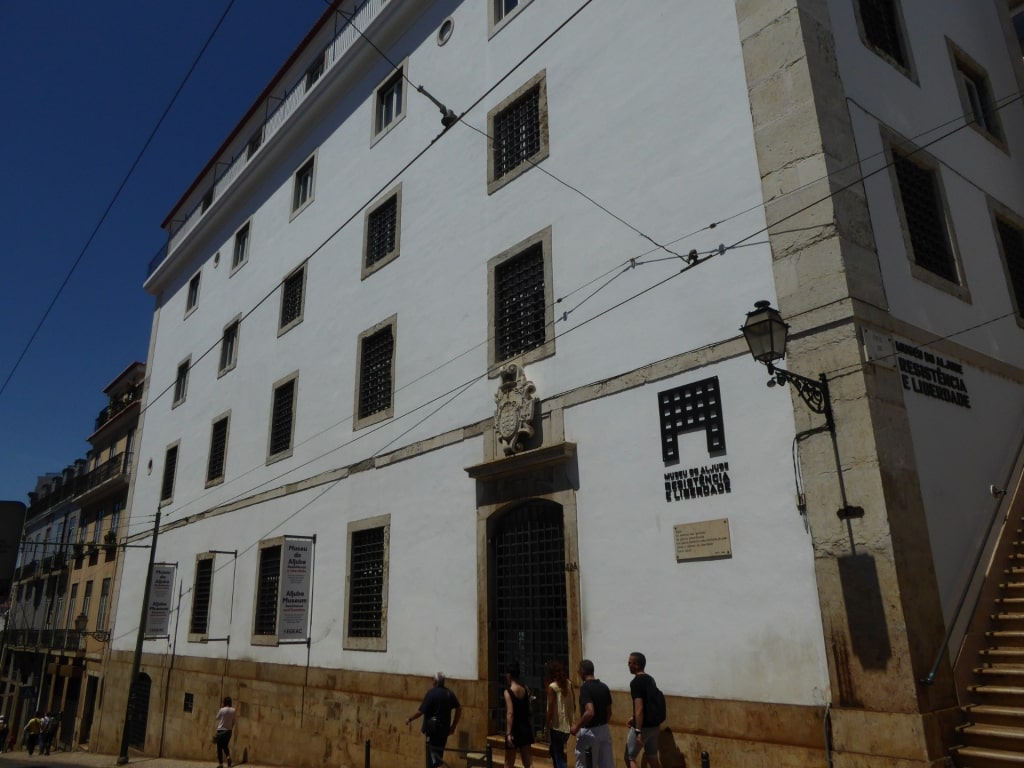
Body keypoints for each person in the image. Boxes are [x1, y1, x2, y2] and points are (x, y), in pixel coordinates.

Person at [406, 672, 462, 768]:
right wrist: (453, 726)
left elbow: (421, 711)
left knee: (433, 758)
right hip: (444, 730)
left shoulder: (431, 693)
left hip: (433, 731)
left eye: (432, 679)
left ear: (435, 681)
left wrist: (410, 719)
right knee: (438, 755)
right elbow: (459, 708)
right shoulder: (449, 693)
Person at [569, 660, 613, 768]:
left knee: (584, 765)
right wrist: (601, 725)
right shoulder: (604, 687)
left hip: (590, 732)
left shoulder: (585, 688)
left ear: (582, 671)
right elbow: (609, 712)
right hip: (604, 730)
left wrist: (576, 727)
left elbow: (589, 712)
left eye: (579, 671)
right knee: (606, 765)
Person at [626, 653, 663, 768]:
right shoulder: (650, 679)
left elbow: (640, 708)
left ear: (636, 665)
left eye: (629, 663)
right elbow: (649, 703)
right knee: (652, 756)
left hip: (643, 728)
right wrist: (633, 718)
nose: (628, 665)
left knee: (629, 757)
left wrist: (638, 731)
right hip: (654, 727)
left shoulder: (636, 682)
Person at [503, 661, 533, 768]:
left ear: (509, 675)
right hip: (525, 727)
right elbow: (528, 709)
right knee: (528, 762)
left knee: (508, 763)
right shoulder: (525, 689)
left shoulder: (508, 692)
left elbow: (510, 713)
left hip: (514, 729)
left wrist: (508, 733)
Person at [544, 660, 574, 768]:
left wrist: (546, 727)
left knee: (558, 755)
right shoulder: (568, 683)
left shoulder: (552, 687)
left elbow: (550, 709)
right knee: (556, 752)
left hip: (556, 726)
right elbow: (572, 704)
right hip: (567, 726)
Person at [215, 696, 237, 768]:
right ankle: (228, 757)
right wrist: (230, 729)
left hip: (221, 730)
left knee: (219, 747)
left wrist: (221, 709)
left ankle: (221, 764)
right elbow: (234, 722)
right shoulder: (233, 710)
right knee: (225, 745)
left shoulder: (222, 710)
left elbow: (217, 718)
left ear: (224, 702)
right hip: (228, 732)